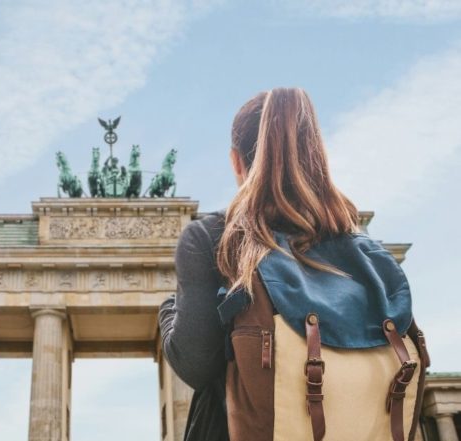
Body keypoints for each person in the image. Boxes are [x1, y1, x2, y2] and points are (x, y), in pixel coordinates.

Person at [158, 87, 426, 441]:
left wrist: (168, 310)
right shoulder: (366, 254)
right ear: (316, 155)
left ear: (236, 161)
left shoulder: (214, 238)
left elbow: (194, 365)